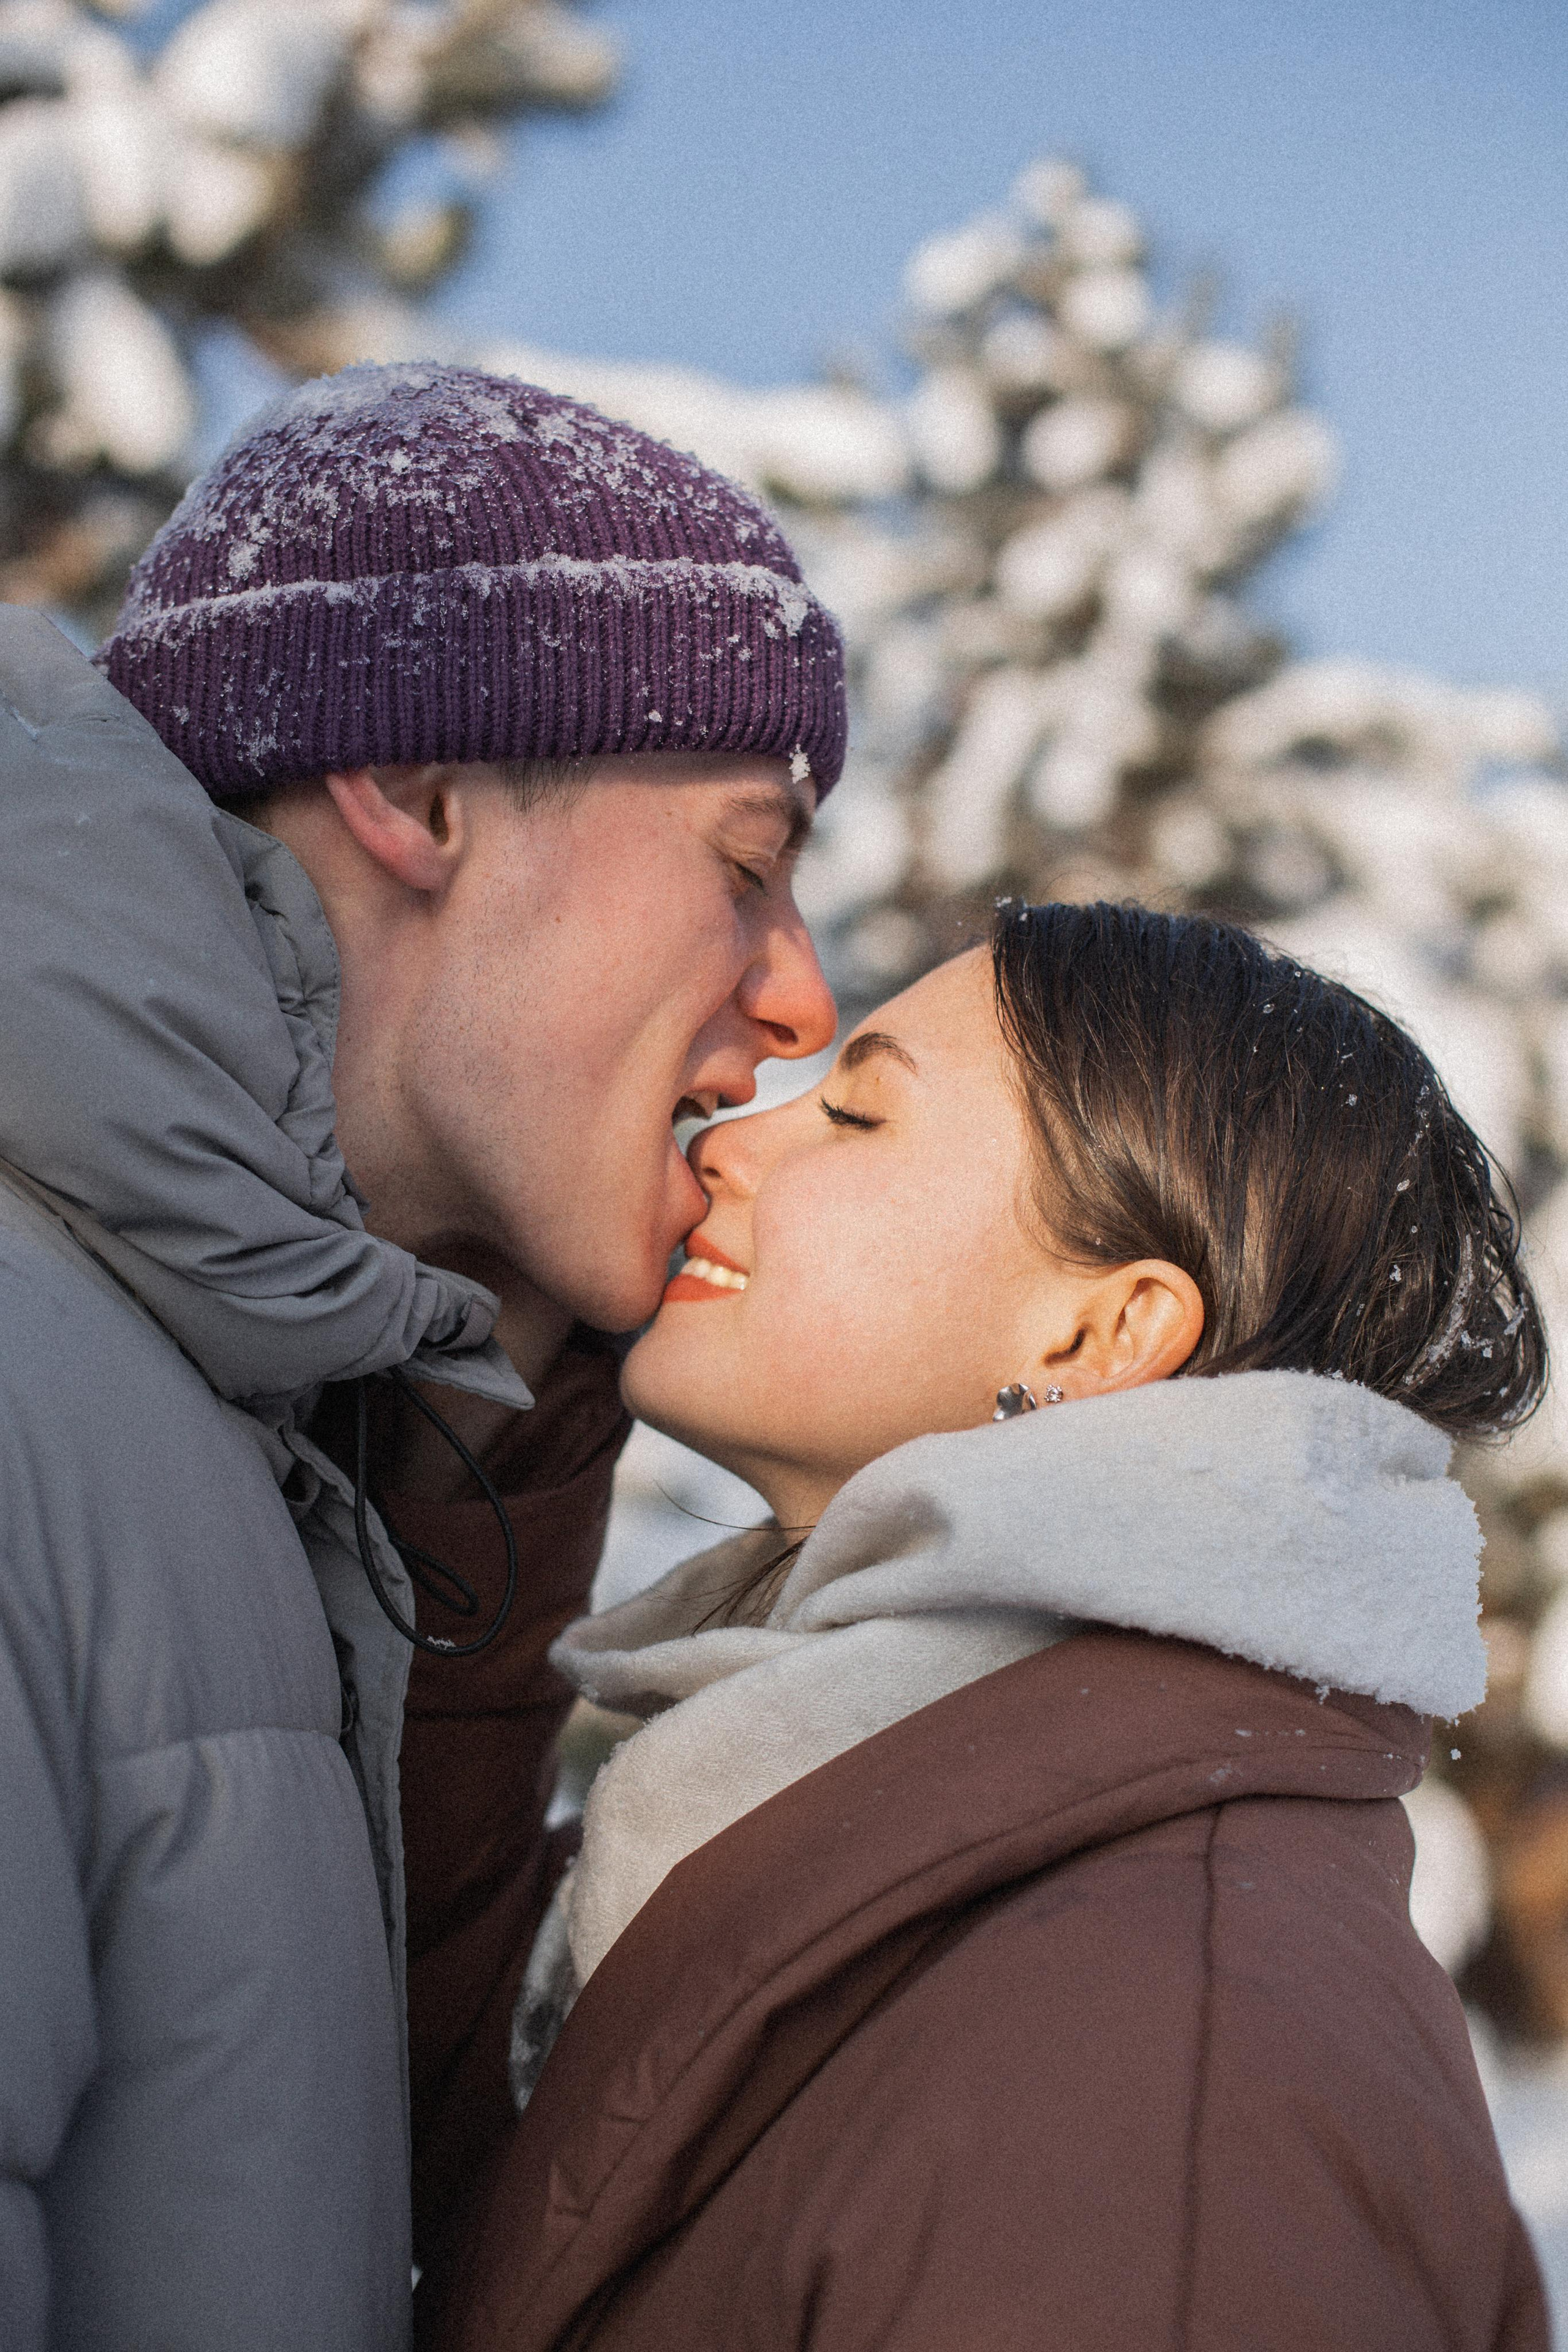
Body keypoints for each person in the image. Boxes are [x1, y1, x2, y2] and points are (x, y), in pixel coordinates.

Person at [0, 363, 840, 2351]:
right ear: (424, 796)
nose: (801, 997)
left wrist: (488, 1418)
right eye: (745, 865)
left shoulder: (256, 1432)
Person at [435, 902, 1551, 2352]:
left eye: (852, 1111)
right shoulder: (834, 1819)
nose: (731, 1139)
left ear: (1096, 1337)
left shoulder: (1167, 2083)